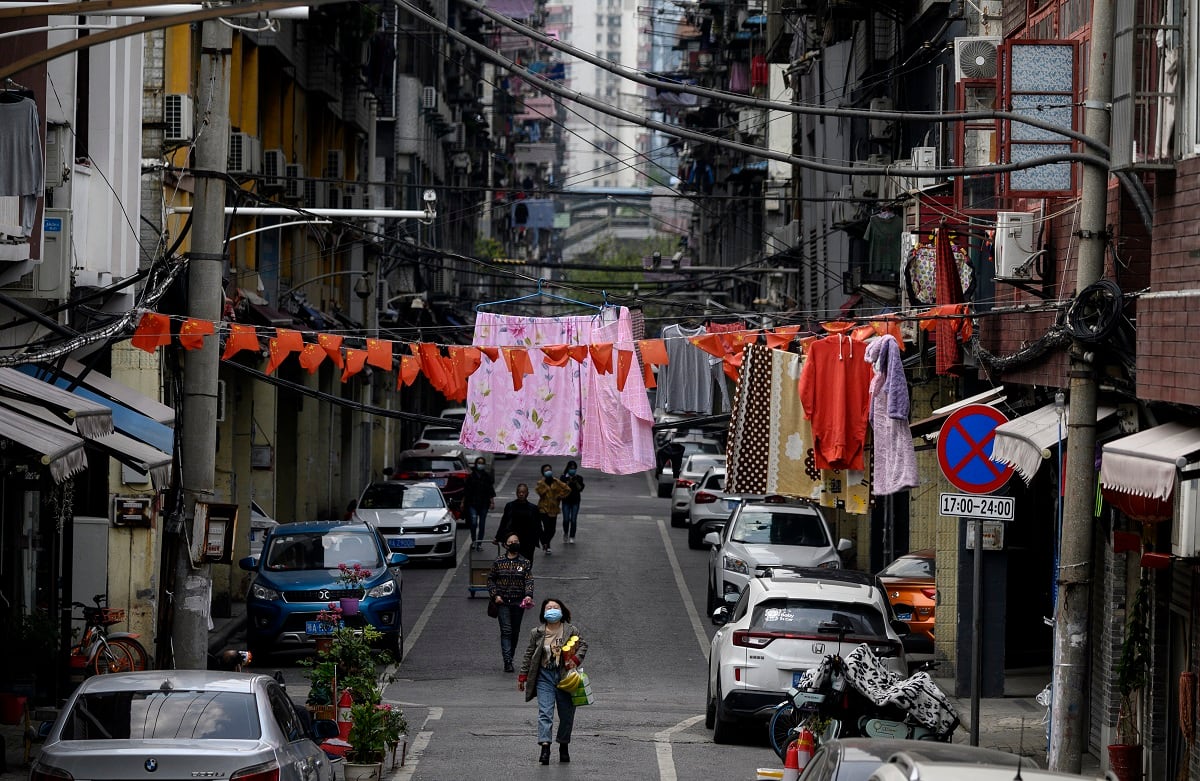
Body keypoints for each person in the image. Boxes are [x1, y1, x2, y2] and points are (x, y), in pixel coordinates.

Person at [518, 597, 588, 765]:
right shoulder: (537, 632)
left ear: (561, 611)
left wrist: (576, 660)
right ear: (543, 612)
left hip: (566, 677)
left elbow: (583, 645)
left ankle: (563, 745)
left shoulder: (571, 630)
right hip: (544, 677)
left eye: (555, 607)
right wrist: (523, 676)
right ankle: (545, 747)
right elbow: (529, 654)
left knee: (566, 714)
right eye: (548, 608)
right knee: (545, 713)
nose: (552, 610)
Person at [487, 532, 535, 672]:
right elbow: (491, 579)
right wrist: (495, 595)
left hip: (518, 602)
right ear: (505, 545)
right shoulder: (499, 562)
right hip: (502, 602)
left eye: (517, 541)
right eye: (511, 541)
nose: (515, 543)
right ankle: (507, 660)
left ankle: (511, 655)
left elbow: (528, 580)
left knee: (515, 631)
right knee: (506, 630)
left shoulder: (524, 562)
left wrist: (528, 595)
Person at [494, 484, 542, 561]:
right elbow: (504, 522)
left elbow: (538, 525)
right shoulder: (510, 506)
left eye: (523, 492)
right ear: (516, 493)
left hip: (528, 540)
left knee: (527, 561)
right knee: (513, 560)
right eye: (519, 492)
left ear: (527, 493)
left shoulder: (533, 508)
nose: (521, 494)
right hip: (513, 539)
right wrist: (498, 537)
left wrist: (544, 541)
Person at [534, 465, 572, 556]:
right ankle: (547, 545)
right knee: (546, 528)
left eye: (549, 470)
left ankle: (545, 542)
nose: (548, 471)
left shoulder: (556, 481)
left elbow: (567, 489)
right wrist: (545, 486)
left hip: (554, 509)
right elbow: (540, 492)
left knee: (552, 530)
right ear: (543, 472)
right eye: (546, 470)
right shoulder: (540, 483)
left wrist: (560, 495)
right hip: (543, 508)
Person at [462, 456, 496, 551]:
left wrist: (492, 501)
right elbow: (466, 491)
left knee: (482, 524)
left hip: (484, 504)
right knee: (473, 523)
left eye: (482, 463)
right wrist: (463, 502)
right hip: (472, 503)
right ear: (476, 464)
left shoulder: (486, 477)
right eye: (479, 463)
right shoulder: (471, 477)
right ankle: (474, 541)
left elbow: (490, 490)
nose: (480, 465)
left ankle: (479, 544)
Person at [559, 461, 585, 544]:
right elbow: (561, 488)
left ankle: (572, 535)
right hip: (566, 501)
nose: (572, 470)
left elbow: (580, 489)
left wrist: (576, 482)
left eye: (574, 469)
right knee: (566, 519)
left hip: (575, 501)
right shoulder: (563, 478)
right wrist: (568, 482)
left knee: (573, 519)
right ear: (568, 468)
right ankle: (566, 533)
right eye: (571, 468)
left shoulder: (579, 478)